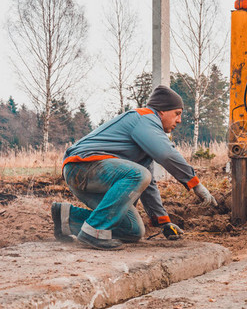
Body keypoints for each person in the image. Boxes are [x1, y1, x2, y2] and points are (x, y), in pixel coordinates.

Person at [51, 85, 217, 250]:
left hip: (92, 175)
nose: (179, 120)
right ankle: (94, 232)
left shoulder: (144, 140)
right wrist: (195, 184)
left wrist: (163, 221)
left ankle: (67, 217)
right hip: (83, 166)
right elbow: (167, 155)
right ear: (162, 111)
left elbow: (148, 185)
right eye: (177, 114)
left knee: (133, 229)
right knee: (139, 175)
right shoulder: (144, 118)